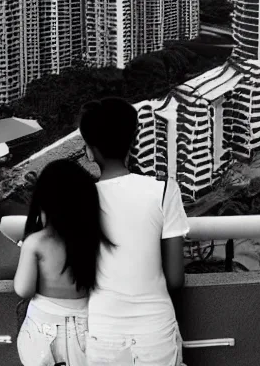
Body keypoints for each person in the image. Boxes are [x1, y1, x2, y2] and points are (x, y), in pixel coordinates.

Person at [79, 97, 190, 366]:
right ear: (132, 142)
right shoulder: (164, 191)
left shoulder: (80, 201)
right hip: (156, 335)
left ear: (90, 151)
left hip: (102, 336)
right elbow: (175, 279)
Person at [14, 159, 113, 366]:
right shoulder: (95, 241)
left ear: (43, 202)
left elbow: (23, 290)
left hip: (45, 332)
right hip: (90, 329)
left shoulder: (36, 243)